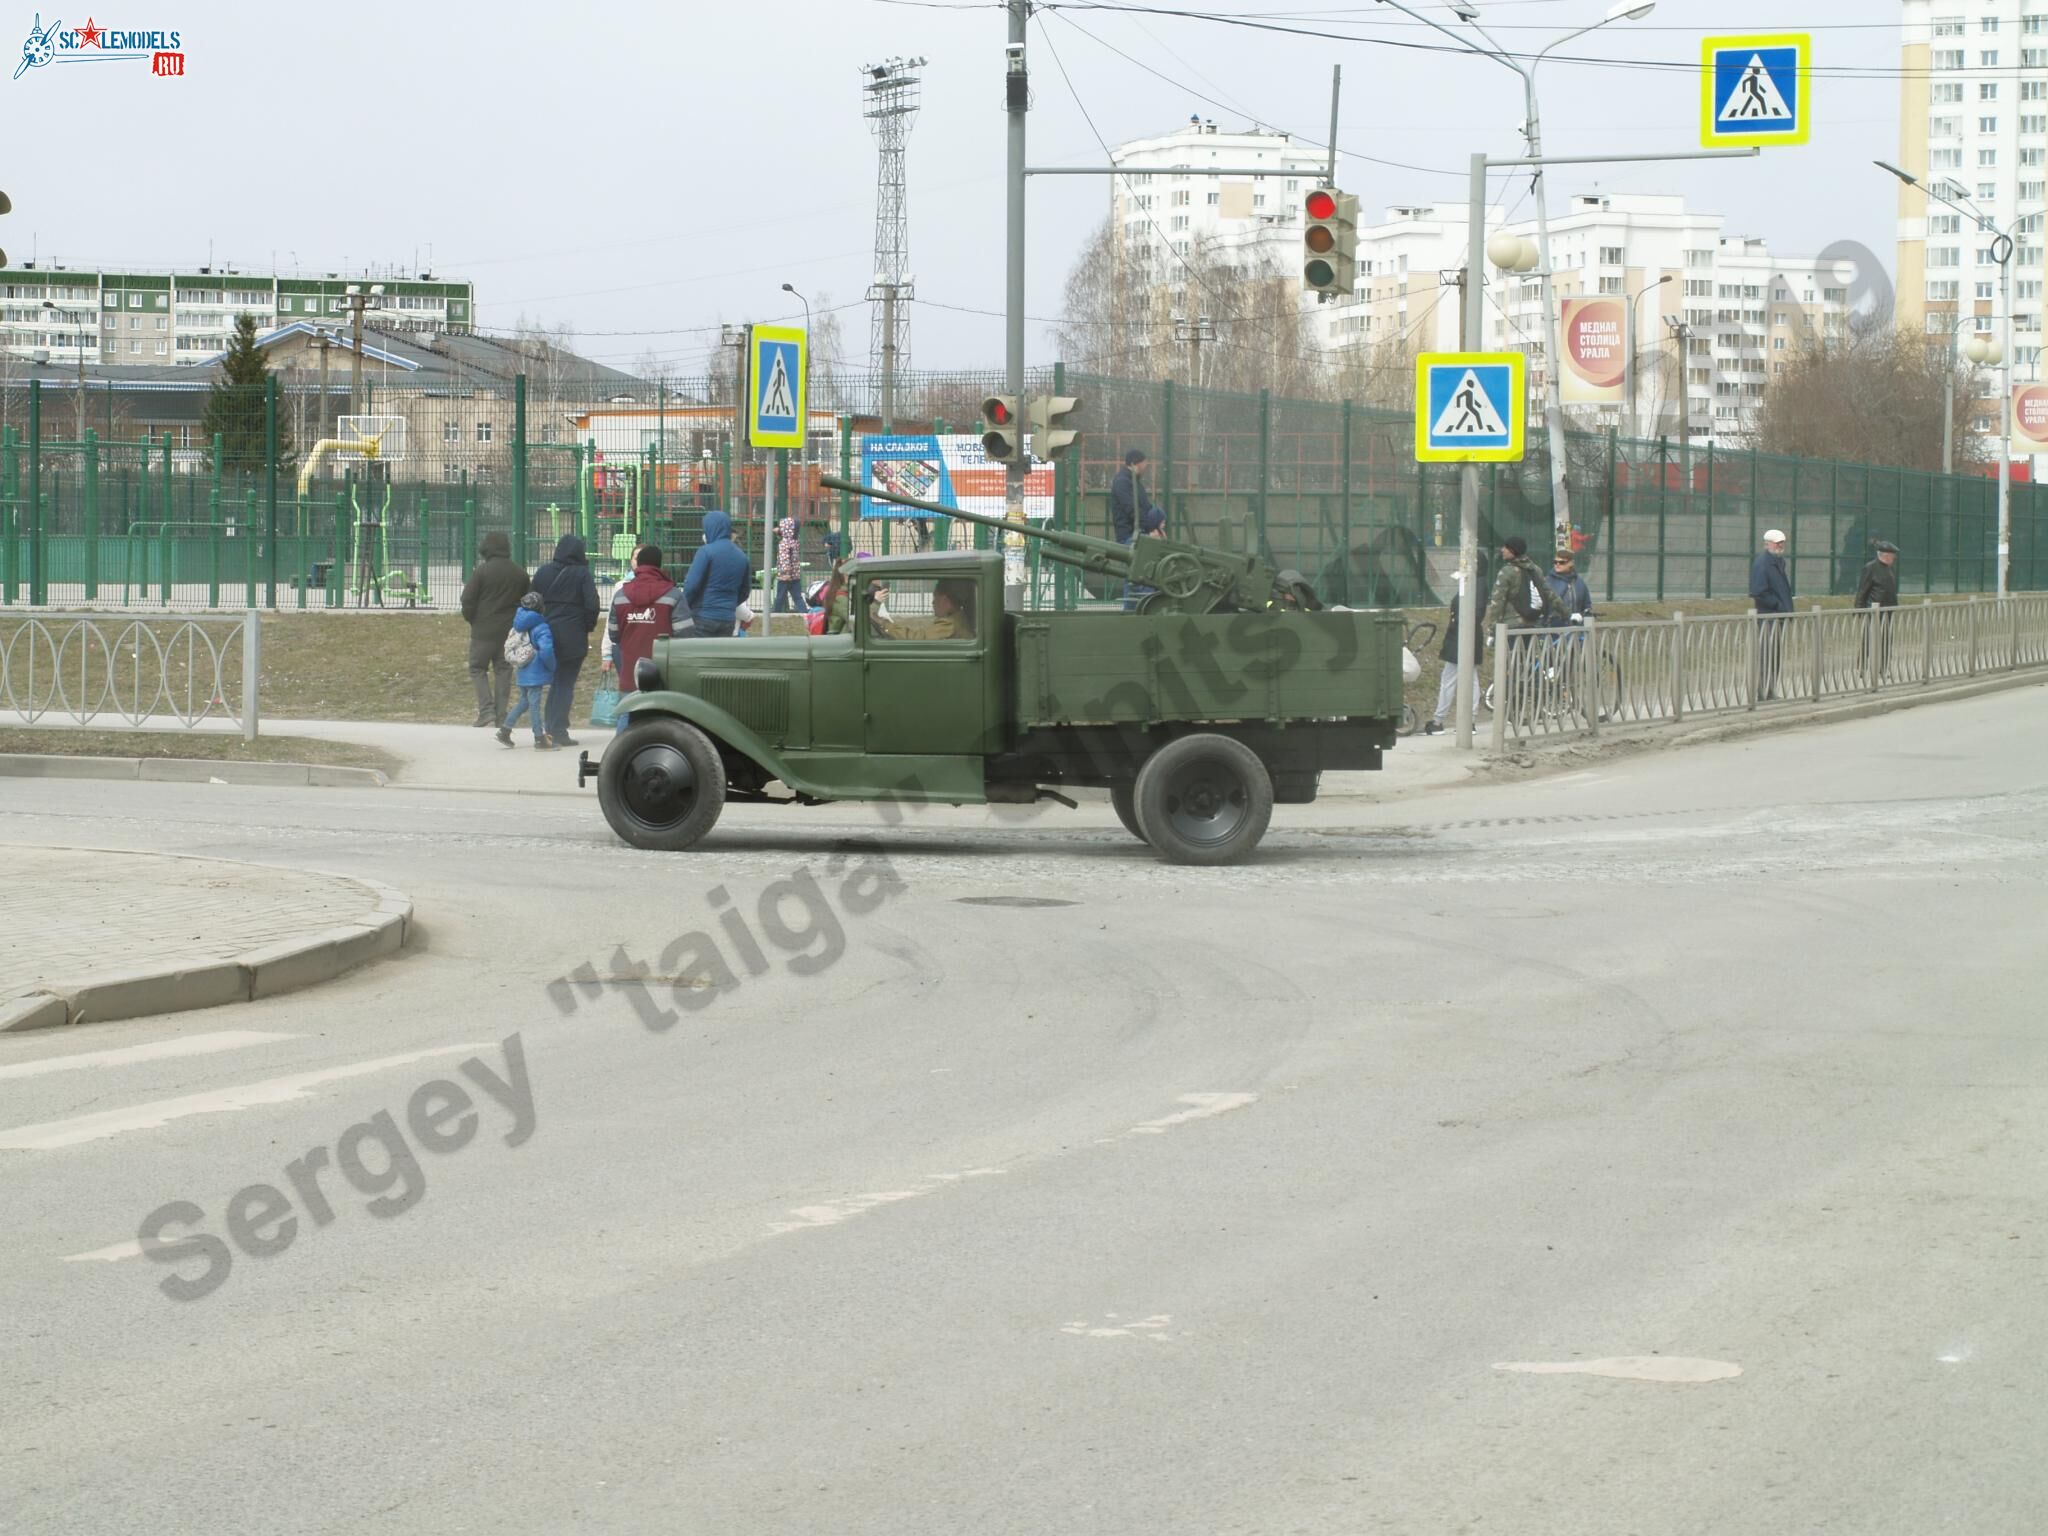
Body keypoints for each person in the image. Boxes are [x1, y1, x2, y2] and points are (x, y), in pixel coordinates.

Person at [530, 532, 598, 748]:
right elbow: (592, 604)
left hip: (545, 635)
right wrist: (586, 626)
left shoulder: (542, 572)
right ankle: (557, 729)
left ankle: (546, 728)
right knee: (564, 684)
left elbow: (530, 601)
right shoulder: (582, 574)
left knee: (552, 683)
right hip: (573, 636)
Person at [459, 530, 528, 729]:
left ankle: (486, 711)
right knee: (503, 670)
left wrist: (472, 619)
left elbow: (467, 600)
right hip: (509, 631)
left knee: (477, 668)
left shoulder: (482, 571)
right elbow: (527, 602)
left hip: (483, 630)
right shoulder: (519, 573)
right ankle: (500, 715)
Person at [608, 544, 694, 697]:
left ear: (638, 564)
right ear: (659, 565)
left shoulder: (621, 596)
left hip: (630, 673)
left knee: (627, 714)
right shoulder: (673, 595)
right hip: (663, 674)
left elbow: (614, 635)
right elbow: (686, 635)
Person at [1426, 558, 1489, 735]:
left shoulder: (1475, 584)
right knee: (1468, 677)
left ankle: (1441, 720)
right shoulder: (1474, 583)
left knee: (1452, 679)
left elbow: (1474, 612)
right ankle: (1468, 720)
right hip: (1464, 635)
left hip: (1462, 636)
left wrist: (1460, 624)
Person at [497, 593, 557, 750]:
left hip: (522, 669)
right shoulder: (541, 626)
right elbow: (546, 650)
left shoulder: (518, 624)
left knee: (524, 701)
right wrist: (552, 667)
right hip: (535, 673)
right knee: (534, 706)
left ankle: (505, 730)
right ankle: (539, 738)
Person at [683, 509, 755, 638]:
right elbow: (745, 591)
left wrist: (687, 606)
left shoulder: (706, 552)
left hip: (703, 615)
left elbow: (691, 585)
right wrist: (730, 604)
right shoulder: (742, 556)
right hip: (728, 619)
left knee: (700, 657)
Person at [1750, 528, 1794, 699]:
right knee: (1766, 655)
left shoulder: (1778, 562)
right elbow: (1758, 591)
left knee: (1774, 655)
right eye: (1778, 544)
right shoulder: (1763, 563)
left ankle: (1770, 689)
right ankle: (1762, 691)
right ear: (1768, 544)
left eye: (1782, 544)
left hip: (1777, 617)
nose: (1781, 547)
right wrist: (1779, 606)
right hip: (1767, 616)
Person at [873, 577, 976, 641]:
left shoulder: (949, 624)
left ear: (945, 600)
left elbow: (918, 639)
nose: (933, 602)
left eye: (935, 598)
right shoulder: (957, 618)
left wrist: (884, 624)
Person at [1855, 539, 1901, 679]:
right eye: (1892, 556)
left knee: (1887, 640)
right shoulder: (1870, 568)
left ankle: (1884, 667)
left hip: (1888, 610)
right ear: (1885, 555)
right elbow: (1862, 590)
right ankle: (1862, 667)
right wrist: (1859, 609)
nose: (1893, 559)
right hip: (1873, 610)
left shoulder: (1890, 569)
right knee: (1868, 639)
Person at [1124, 505, 1167, 611]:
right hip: (1140, 593)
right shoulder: (1139, 541)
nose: (1164, 525)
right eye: (1162, 523)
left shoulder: (1153, 539)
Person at [1110, 448, 1156, 546]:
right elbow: (1132, 509)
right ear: (1136, 463)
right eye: (1144, 463)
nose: (1145, 466)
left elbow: (1145, 506)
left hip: (1137, 532)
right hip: (1129, 535)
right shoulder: (1122, 482)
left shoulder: (1134, 481)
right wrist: (1150, 526)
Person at [772, 515, 804, 612]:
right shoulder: (794, 541)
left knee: (780, 597)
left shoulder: (784, 544)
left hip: (785, 576)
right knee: (798, 597)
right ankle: (805, 613)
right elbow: (785, 534)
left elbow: (784, 559)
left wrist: (785, 572)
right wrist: (779, 531)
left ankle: (775, 613)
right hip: (795, 574)